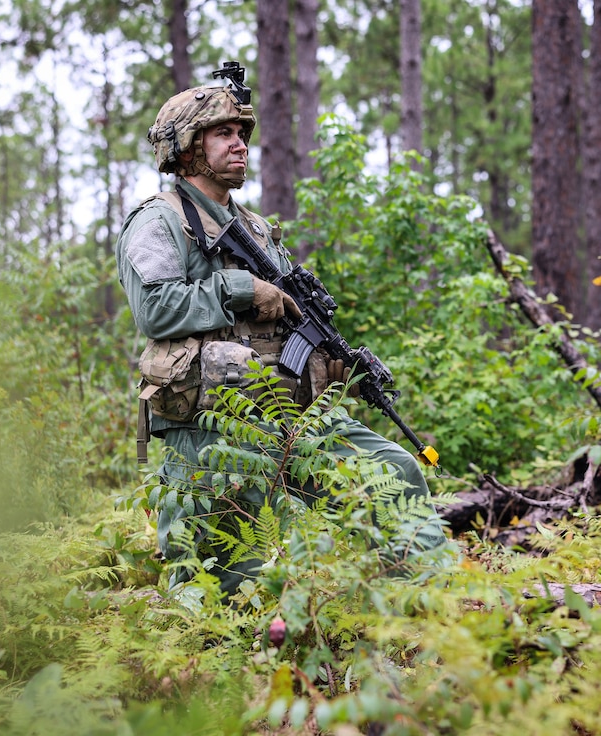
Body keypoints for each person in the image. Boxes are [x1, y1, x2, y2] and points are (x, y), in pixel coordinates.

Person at [115, 64, 448, 597]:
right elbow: (155, 308)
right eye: (223, 133)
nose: (239, 144)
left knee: (393, 469)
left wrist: (329, 372)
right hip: (212, 428)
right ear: (186, 147)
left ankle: (435, 606)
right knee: (219, 583)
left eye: (242, 134)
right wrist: (240, 289)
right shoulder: (160, 220)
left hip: (285, 419)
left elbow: (285, 329)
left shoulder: (256, 230)